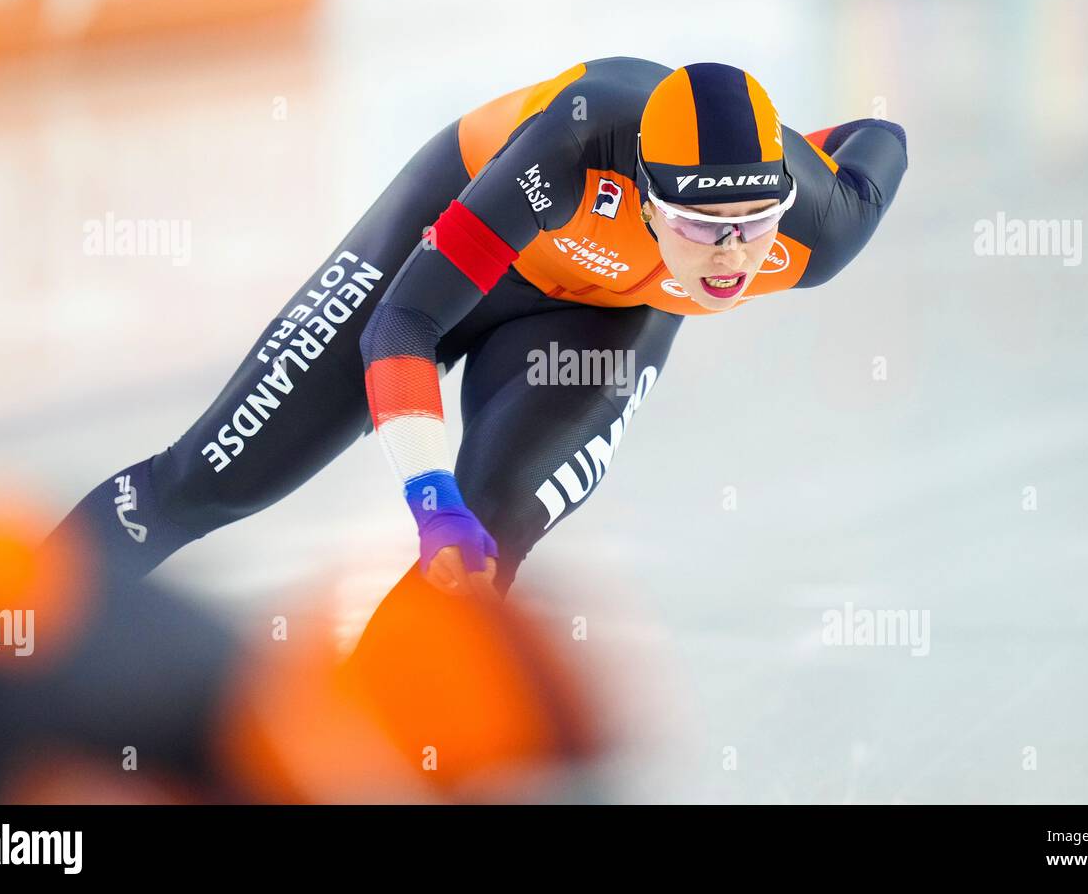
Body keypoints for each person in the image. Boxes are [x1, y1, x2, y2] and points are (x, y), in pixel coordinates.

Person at [46, 57, 908, 600]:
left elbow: (881, 134)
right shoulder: (572, 152)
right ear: (644, 190)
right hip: (455, 247)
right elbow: (404, 322)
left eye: (756, 220)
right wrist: (427, 498)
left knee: (480, 550)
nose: (730, 257)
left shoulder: (820, 232)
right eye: (697, 223)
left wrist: (798, 152)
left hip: (596, 316)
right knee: (206, 482)